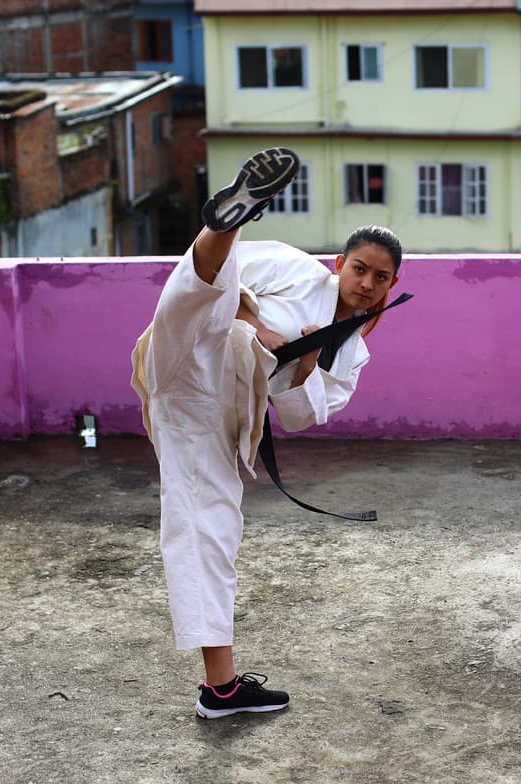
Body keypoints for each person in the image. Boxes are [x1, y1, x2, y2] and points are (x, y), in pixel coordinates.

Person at [130, 148, 403, 719]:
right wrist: (256, 326)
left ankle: (221, 690)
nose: (368, 283)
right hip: (189, 350)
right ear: (339, 263)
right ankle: (226, 220)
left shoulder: (352, 353)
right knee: (204, 293)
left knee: (211, 529)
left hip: (214, 413)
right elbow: (229, 292)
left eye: (381, 277)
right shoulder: (291, 265)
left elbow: (305, 415)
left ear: (393, 284)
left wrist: (304, 364)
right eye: (360, 269)